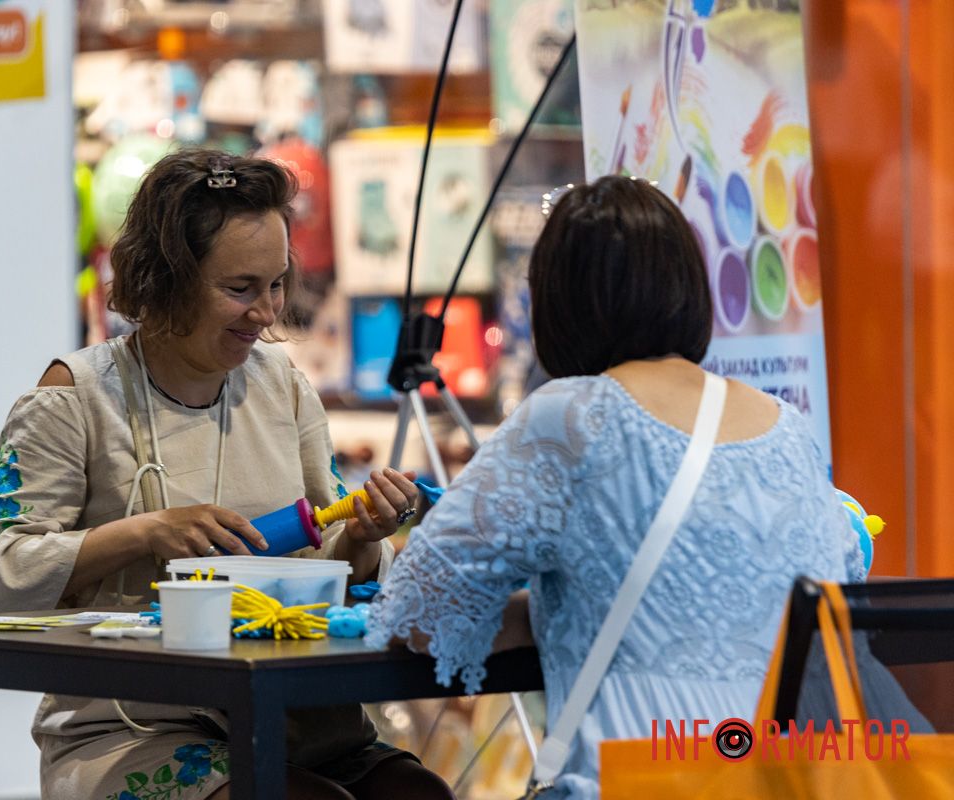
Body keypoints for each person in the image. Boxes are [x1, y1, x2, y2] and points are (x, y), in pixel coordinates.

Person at [0, 149, 454, 800]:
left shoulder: (283, 388)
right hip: (135, 730)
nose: (266, 312)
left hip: (295, 722)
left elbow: (331, 557)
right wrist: (145, 535)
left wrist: (362, 536)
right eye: (239, 289)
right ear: (166, 280)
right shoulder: (76, 399)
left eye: (276, 284)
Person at [364, 175, 866, 797]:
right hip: (803, 780)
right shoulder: (788, 427)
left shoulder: (573, 416)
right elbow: (831, 589)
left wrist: (548, 610)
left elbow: (422, 610)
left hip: (637, 779)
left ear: (557, 301)